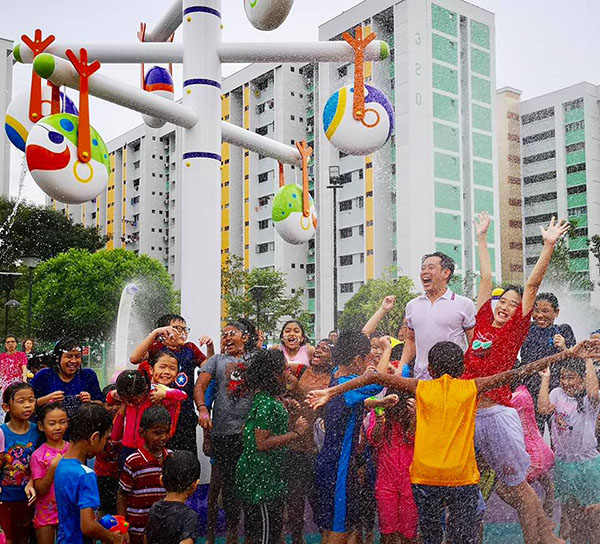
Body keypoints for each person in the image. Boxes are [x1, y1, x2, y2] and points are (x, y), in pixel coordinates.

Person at [308, 339, 600, 544]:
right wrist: (568, 353)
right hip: (461, 480)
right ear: (462, 369)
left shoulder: (422, 387)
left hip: (426, 478)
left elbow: (369, 379)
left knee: (431, 537)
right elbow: (520, 372)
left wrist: (330, 393)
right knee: (462, 538)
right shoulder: (470, 387)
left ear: (432, 370)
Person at [462, 213, 569, 544]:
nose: (506, 307)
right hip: (469, 412)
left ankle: (539, 539)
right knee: (484, 486)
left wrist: (548, 246)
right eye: (502, 302)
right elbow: (486, 276)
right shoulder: (481, 320)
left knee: (517, 487)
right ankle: (545, 535)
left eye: (512, 303)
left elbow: (533, 285)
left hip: (496, 414)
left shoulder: (515, 328)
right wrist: (481, 237)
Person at [314, 330, 390, 544]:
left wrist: (377, 403)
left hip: (325, 462)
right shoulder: (349, 385)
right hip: (340, 466)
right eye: (367, 358)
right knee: (340, 528)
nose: (370, 362)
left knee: (330, 527)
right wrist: (387, 349)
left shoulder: (336, 376)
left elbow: (357, 338)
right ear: (358, 360)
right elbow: (377, 380)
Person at [236, 349, 309, 544]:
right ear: (274, 375)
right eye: (285, 369)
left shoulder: (269, 400)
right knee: (267, 535)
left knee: (265, 531)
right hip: (261, 478)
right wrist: (296, 433)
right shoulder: (268, 403)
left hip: (264, 474)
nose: (289, 373)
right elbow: (261, 442)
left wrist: (286, 407)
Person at [195, 319, 257, 544]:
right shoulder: (216, 361)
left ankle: (250, 535)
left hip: (250, 434)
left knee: (250, 484)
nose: (227, 338)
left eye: (233, 333)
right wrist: (203, 410)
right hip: (224, 434)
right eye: (224, 334)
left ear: (246, 337)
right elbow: (199, 387)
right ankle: (231, 533)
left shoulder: (255, 359)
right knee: (228, 487)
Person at [130, 313, 214, 453]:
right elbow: (134, 358)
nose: (182, 333)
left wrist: (210, 347)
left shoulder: (190, 349)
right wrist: (155, 333)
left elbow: (209, 368)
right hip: (159, 414)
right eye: (177, 329)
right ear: (164, 331)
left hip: (185, 415)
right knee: (159, 455)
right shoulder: (156, 347)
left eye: (185, 329)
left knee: (186, 457)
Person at [538, 357, 600, 543]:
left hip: (588, 464)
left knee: (593, 514)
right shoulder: (557, 394)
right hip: (565, 463)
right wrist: (546, 378)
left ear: (582, 379)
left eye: (571, 378)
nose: (566, 383)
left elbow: (594, 393)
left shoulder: (590, 399)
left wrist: (588, 361)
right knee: (572, 514)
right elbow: (542, 409)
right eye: (563, 378)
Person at [284, 338, 335, 544]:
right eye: (318, 348)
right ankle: (297, 538)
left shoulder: (334, 379)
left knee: (318, 499)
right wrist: (290, 400)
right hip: (295, 444)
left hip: (318, 448)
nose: (319, 351)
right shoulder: (300, 371)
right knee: (294, 499)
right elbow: (279, 367)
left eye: (326, 349)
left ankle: (324, 536)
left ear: (334, 358)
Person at [398, 252, 476, 380]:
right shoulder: (412, 305)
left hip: (454, 379)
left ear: (446, 273)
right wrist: (401, 367)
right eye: (423, 268)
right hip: (421, 379)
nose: (425, 272)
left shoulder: (464, 304)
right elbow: (411, 341)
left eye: (430, 267)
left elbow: (472, 342)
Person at [53, 404, 123, 544]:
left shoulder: (61, 464)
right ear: (94, 438)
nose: (105, 444)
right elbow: (88, 526)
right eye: (106, 439)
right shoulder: (86, 475)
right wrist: (112, 538)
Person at [109, 352, 187, 456]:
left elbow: (183, 395)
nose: (167, 372)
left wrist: (165, 394)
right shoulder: (133, 389)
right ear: (151, 369)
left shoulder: (158, 392)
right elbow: (109, 398)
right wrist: (114, 393)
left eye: (172, 368)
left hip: (148, 446)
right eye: (162, 367)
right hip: (127, 445)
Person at [365, 391, 417, 544]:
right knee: (387, 531)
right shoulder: (380, 411)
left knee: (408, 533)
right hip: (386, 482)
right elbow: (375, 440)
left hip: (410, 481)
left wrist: (414, 418)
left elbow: (412, 437)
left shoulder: (413, 414)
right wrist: (380, 420)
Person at [519, 293, 576, 431]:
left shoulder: (563, 330)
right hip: (531, 390)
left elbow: (576, 363)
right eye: (536, 310)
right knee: (533, 434)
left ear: (557, 312)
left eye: (545, 311)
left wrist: (564, 347)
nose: (539, 315)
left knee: (560, 432)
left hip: (556, 391)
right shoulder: (526, 329)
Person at [117, 405, 171, 544]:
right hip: (137, 531)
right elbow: (122, 495)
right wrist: (123, 527)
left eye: (166, 432)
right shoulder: (133, 461)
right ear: (142, 432)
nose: (163, 437)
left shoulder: (171, 458)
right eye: (157, 433)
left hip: (164, 530)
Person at [0, 383, 38, 544]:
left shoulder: (39, 431)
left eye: (31, 400)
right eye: (21, 401)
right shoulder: (2, 432)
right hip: (6, 497)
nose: (28, 405)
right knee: (7, 538)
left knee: (24, 537)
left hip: (30, 497)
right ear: (6, 407)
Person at [31, 338, 103, 419]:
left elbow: (102, 404)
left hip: (80, 428)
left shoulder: (88, 376)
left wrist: (91, 402)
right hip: (51, 429)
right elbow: (27, 404)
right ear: (58, 358)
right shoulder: (44, 375)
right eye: (68, 356)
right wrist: (46, 400)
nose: (73, 361)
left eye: (77, 356)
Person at [31, 403, 69, 544]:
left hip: (68, 511)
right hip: (45, 513)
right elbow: (40, 489)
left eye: (62, 422)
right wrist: (52, 468)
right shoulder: (38, 455)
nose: (58, 427)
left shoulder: (72, 450)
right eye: (52, 423)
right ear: (41, 426)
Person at [146, 450, 201, 544]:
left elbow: (146, 540)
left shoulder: (154, 508)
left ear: (161, 480)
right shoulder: (189, 516)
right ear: (194, 486)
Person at [95, 384, 121, 515]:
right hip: (103, 475)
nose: (115, 408)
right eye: (110, 404)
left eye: (119, 404)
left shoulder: (128, 424)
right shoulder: (99, 425)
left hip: (120, 475)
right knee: (103, 510)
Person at [0, 336, 28, 421]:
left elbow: (24, 369)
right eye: (8, 342)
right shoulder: (1, 357)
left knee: (16, 407)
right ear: (5, 345)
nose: (10, 344)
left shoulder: (21, 355)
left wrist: (24, 381)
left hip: (16, 386)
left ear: (16, 344)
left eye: (12, 342)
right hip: (3, 387)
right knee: (3, 409)